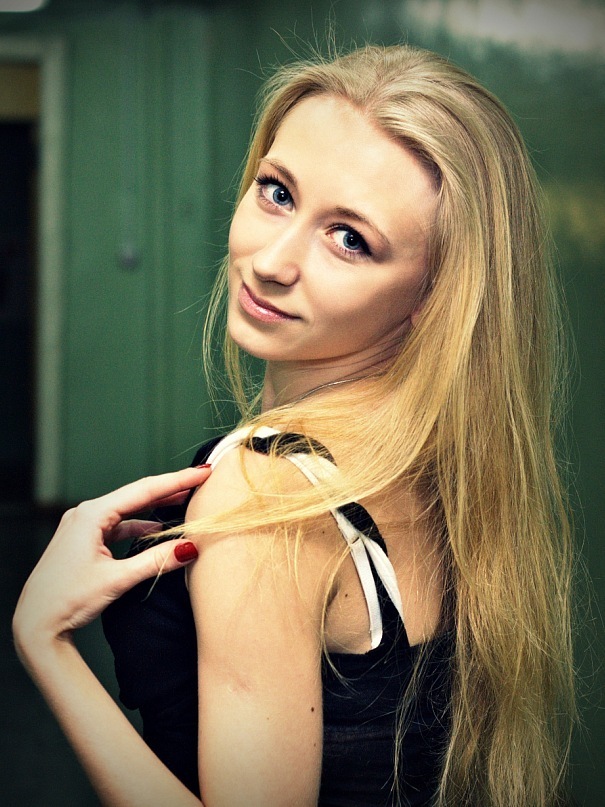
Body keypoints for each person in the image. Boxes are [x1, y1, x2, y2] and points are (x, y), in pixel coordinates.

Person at [13, 44, 575, 806]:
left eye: (349, 239)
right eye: (276, 192)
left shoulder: (267, 494)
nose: (272, 260)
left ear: (433, 297)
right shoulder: (441, 463)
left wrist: (44, 641)